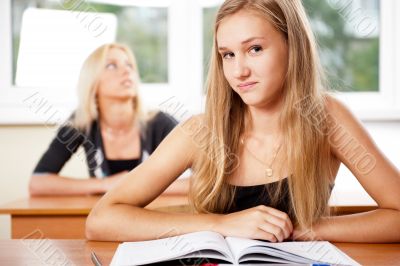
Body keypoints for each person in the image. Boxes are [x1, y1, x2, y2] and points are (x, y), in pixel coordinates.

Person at [86, 0, 400, 243]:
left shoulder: (327, 118)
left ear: (293, 46)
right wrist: (220, 225)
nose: (239, 71)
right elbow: (101, 220)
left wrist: (305, 229)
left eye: (255, 49)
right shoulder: (201, 131)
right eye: (228, 55)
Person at [29, 43, 189, 196]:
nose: (126, 71)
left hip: (151, 219)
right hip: (107, 220)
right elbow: (37, 183)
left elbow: (207, 181)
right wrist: (105, 184)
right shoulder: (80, 123)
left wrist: (139, 185)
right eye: (111, 66)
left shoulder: (160, 122)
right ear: (92, 82)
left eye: (129, 65)